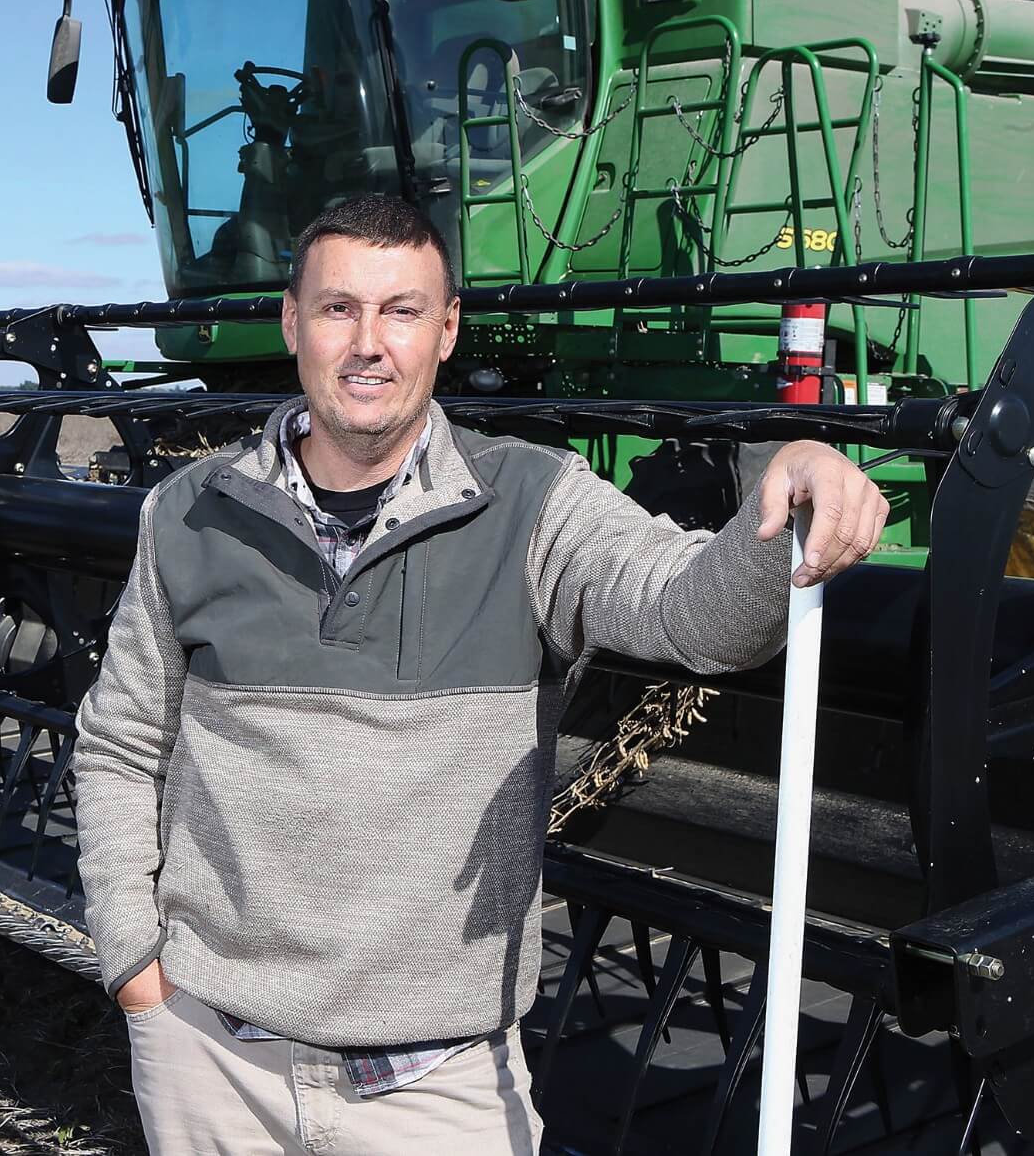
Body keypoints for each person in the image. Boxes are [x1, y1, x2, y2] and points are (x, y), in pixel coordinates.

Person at [71, 194, 888, 1155]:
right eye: (338, 308)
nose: (368, 343)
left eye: (402, 310)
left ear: (447, 329)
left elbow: (691, 613)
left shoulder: (533, 506)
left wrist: (786, 486)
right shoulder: (188, 513)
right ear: (293, 321)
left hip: (436, 1087)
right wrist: (134, 964)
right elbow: (121, 741)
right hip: (213, 1066)